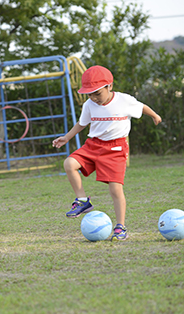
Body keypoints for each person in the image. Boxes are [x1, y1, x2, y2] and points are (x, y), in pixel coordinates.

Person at [52, 65, 161, 241]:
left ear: (109, 86)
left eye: (97, 93)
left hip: (115, 149)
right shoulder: (89, 104)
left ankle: (120, 227)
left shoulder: (124, 100)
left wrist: (155, 116)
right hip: (93, 145)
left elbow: (141, 107)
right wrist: (66, 137)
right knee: (69, 163)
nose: (94, 98)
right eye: (89, 94)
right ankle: (82, 201)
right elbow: (82, 123)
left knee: (115, 190)